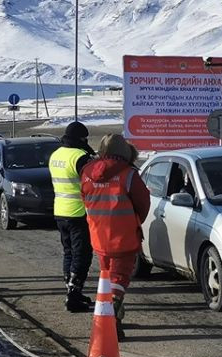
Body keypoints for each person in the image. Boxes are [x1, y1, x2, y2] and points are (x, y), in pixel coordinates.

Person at [81, 134, 150, 339]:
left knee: (107, 278)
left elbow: (84, 198)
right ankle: (111, 322)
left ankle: (111, 315)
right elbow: (143, 203)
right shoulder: (128, 174)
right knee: (119, 280)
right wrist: (135, 221)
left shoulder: (87, 172)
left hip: (98, 236)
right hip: (124, 237)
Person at [49, 121, 96, 312]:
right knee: (82, 254)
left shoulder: (56, 154)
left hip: (60, 210)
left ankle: (70, 290)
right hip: (79, 212)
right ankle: (74, 296)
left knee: (68, 252)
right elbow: (92, 184)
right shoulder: (80, 157)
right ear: (81, 138)